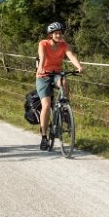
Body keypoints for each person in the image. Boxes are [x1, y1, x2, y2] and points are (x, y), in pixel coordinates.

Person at [35, 22, 83, 150]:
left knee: (64, 83)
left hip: (56, 74)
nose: (58, 35)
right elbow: (43, 56)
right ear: (51, 35)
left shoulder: (64, 45)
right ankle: (44, 137)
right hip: (43, 75)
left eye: (60, 33)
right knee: (45, 105)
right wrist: (40, 68)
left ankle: (65, 109)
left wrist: (78, 66)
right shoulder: (43, 43)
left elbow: (71, 55)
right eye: (56, 33)